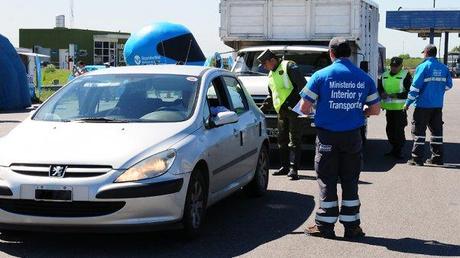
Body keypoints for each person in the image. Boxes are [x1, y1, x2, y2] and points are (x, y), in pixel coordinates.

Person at [300, 37, 381, 239]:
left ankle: (325, 226)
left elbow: (304, 108)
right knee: (350, 179)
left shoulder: (320, 76)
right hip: (353, 136)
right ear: (349, 53)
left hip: (327, 137)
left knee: (327, 179)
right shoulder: (364, 77)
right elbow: (376, 110)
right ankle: (352, 227)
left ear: (331, 53)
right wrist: (359, 111)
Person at [258, 49, 307, 180]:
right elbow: (272, 93)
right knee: (282, 139)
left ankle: (293, 169)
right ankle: (284, 166)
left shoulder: (289, 66)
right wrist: (262, 108)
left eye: (264, 64)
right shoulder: (270, 74)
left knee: (294, 140)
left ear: (272, 60)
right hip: (282, 111)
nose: (264, 67)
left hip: (294, 109)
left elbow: (303, 86)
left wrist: (290, 102)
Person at [404, 44, 453, 166]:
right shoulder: (444, 67)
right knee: (436, 133)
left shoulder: (423, 67)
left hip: (423, 105)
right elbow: (448, 85)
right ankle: (437, 158)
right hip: (437, 106)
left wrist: (407, 103)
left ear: (426, 52)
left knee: (419, 132)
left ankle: (417, 159)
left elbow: (415, 88)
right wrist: (437, 91)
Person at [378, 57, 412, 159]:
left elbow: (409, 92)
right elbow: (379, 88)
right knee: (390, 130)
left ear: (401, 66)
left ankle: (399, 150)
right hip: (389, 108)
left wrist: (396, 95)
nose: (394, 68)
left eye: (396, 66)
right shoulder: (384, 75)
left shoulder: (405, 75)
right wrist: (381, 93)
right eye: (392, 66)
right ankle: (394, 148)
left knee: (399, 130)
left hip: (400, 108)